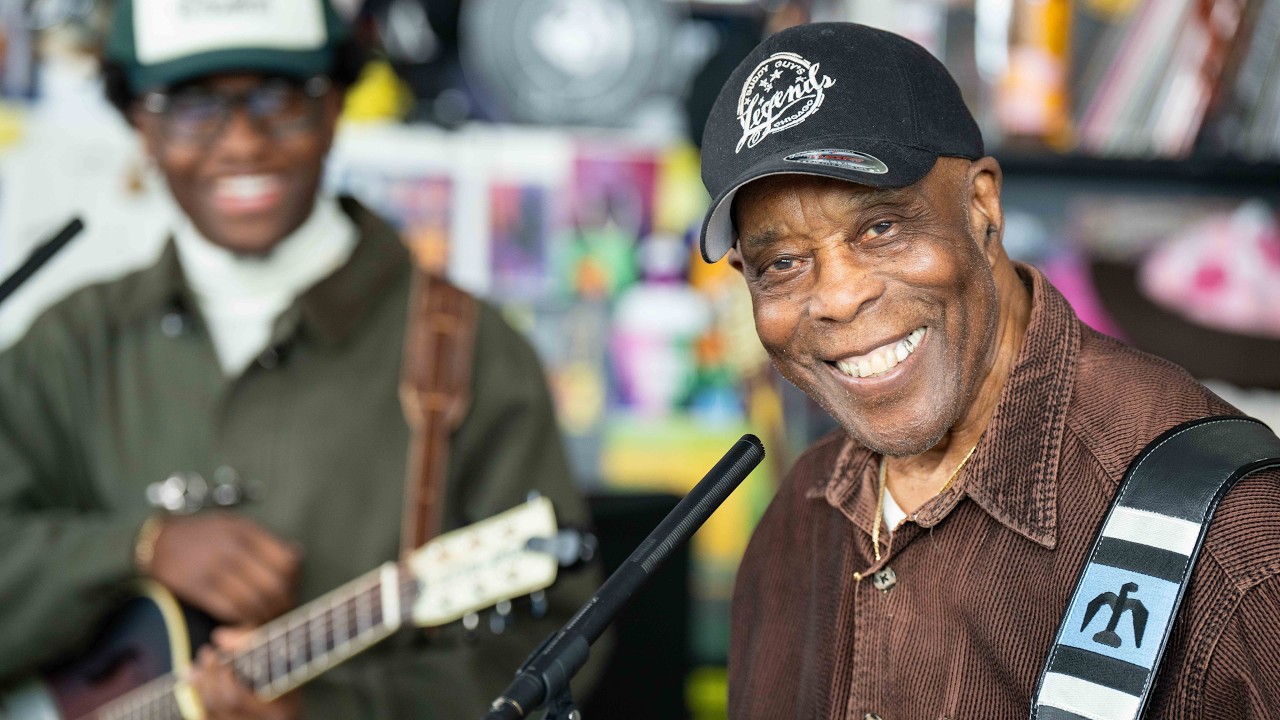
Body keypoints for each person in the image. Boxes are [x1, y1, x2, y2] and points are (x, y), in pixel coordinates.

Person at [0, 1, 599, 718]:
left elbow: (556, 644)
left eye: (279, 97)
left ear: (335, 103)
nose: (244, 142)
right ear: (139, 123)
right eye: (192, 105)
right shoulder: (67, 345)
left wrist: (326, 713)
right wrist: (136, 548)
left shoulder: (473, 353)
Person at [697, 22, 1280, 719]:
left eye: (881, 227)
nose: (839, 296)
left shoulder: (1231, 538)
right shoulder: (799, 516)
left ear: (981, 206)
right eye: (783, 264)